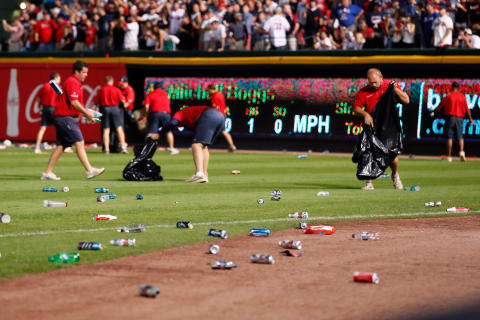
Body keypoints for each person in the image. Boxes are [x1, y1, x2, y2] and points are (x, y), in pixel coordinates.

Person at [41, 60, 105, 180]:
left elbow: (76, 104)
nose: (86, 75)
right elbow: (74, 103)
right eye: (84, 72)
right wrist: (87, 113)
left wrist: (88, 112)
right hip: (66, 118)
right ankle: (89, 170)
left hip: (66, 117)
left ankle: (47, 172)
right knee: (79, 142)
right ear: (77, 72)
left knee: (61, 146)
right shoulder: (72, 82)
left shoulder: (75, 82)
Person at [353, 68, 410, 190]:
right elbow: (356, 108)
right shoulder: (363, 92)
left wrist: (395, 90)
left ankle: (395, 175)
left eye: (375, 82)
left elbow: (406, 100)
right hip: (372, 126)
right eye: (370, 82)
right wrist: (366, 114)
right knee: (367, 154)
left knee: (391, 155)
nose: (373, 85)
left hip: (389, 127)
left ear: (381, 77)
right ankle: (369, 182)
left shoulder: (390, 86)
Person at [148, 106, 225, 183]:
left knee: (196, 145)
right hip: (221, 117)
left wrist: (159, 134)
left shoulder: (180, 113)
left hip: (209, 115)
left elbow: (173, 122)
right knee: (203, 146)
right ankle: (204, 174)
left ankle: (199, 174)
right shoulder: (191, 120)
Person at [435, 82, 476, 162]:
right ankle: (461, 153)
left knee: (449, 137)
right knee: (460, 136)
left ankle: (449, 157)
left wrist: (434, 112)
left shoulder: (448, 96)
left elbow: (439, 107)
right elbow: (467, 109)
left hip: (450, 118)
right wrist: (471, 119)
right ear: (458, 88)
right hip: (460, 118)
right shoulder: (462, 97)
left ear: (452, 88)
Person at [95, 75, 128, 154]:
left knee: (106, 129)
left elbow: (96, 102)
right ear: (112, 81)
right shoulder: (116, 89)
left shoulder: (102, 90)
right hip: (115, 109)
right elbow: (122, 101)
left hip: (105, 109)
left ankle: (106, 149)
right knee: (119, 128)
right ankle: (123, 147)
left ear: (105, 82)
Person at [143, 83, 179, 155]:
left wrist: (146, 115)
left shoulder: (150, 94)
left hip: (155, 113)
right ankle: (171, 148)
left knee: (151, 131)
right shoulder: (166, 94)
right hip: (166, 114)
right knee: (168, 131)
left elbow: (146, 107)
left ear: (154, 88)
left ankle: (147, 149)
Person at [34, 73, 60, 154]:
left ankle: (37, 148)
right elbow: (61, 99)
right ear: (56, 78)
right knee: (60, 128)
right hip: (53, 108)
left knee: (42, 128)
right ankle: (61, 147)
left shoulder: (45, 85)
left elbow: (38, 99)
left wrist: (40, 107)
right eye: (59, 78)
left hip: (45, 108)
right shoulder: (55, 86)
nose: (60, 80)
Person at [207, 84, 237, 152]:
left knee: (209, 130)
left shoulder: (215, 96)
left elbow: (216, 108)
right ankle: (232, 146)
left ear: (211, 89)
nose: (207, 91)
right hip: (222, 115)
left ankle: (204, 146)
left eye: (208, 90)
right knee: (223, 131)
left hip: (218, 115)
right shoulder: (220, 94)